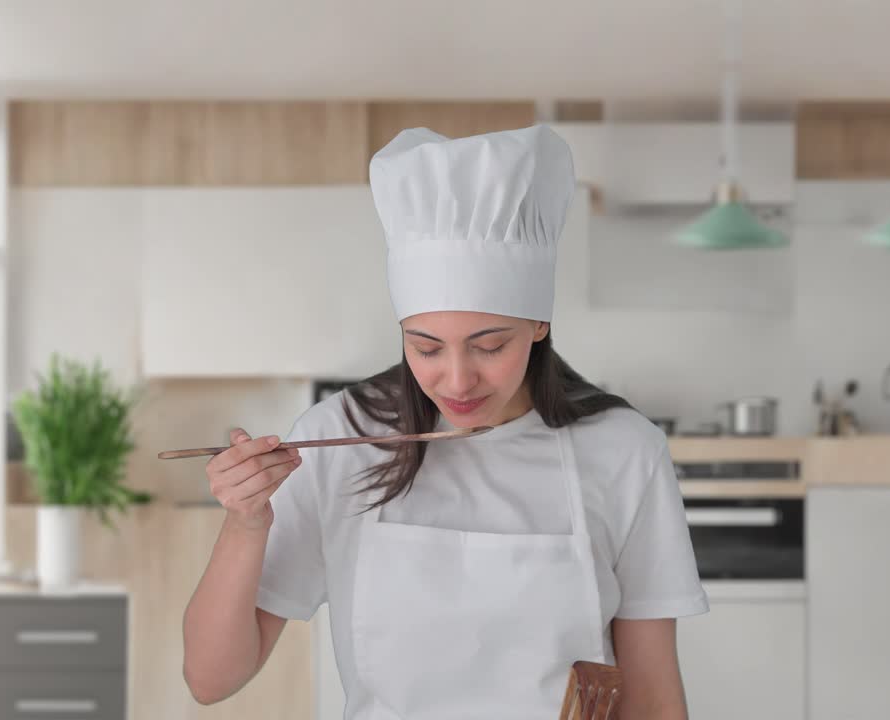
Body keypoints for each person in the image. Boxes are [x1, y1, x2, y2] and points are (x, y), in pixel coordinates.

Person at [182, 125, 709, 719]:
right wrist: (246, 524)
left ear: (539, 323)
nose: (457, 381)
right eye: (426, 347)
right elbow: (210, 678)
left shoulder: (623, 450)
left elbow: (655, 697)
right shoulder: (341, 439)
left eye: (489, 345)